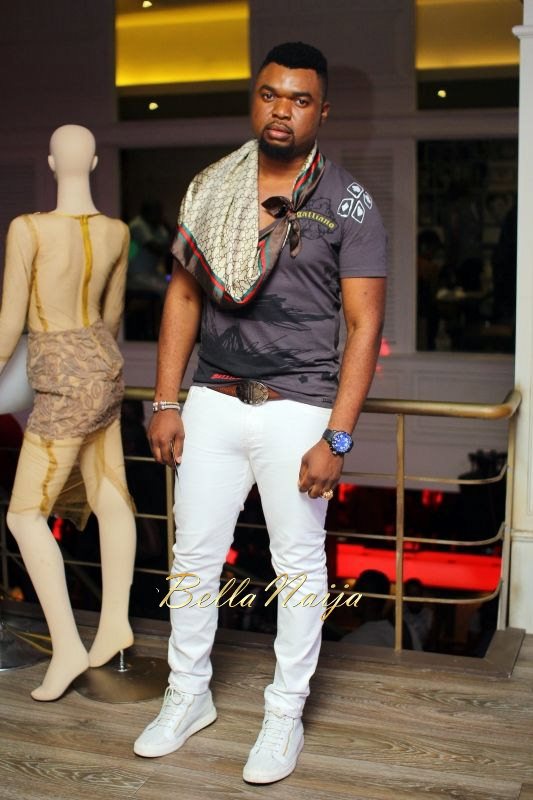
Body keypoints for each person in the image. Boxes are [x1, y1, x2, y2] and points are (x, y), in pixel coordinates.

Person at [134, 42, 387, 784]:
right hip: (212, 399)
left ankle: (284, 713)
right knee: (192, 558)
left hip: (299, 407)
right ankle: (188, 695)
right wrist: (166, 399)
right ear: (256, 99)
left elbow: (364, 325)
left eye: (299, 99)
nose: (282, 110)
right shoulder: (212, 187)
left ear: (321, 111)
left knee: (298, 565)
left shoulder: (349, 203)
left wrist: (337, 437)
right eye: (270, 94)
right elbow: (184, 296)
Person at [0, 124, 136, 701]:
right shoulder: (118, 232)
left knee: (24, 516)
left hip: (60, 378)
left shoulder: (28, 228)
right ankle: (115, 624)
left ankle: (68, 646)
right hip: (105, 367)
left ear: (54, 163)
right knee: (111, 495)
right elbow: (113, 314)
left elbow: (10, 323)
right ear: (96, 162)